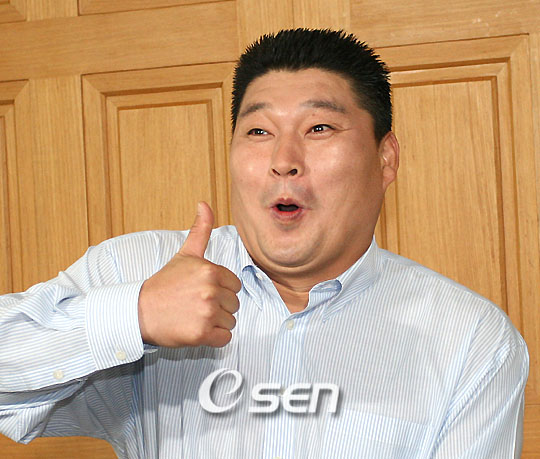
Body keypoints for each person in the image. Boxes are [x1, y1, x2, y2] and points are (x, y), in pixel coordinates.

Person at [0, 29, 528, 458]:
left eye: (319, 128)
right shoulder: (138, 272)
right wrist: (132, 315)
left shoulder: (468, 340)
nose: (284, 160)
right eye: (258, 132)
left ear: (385, 158)